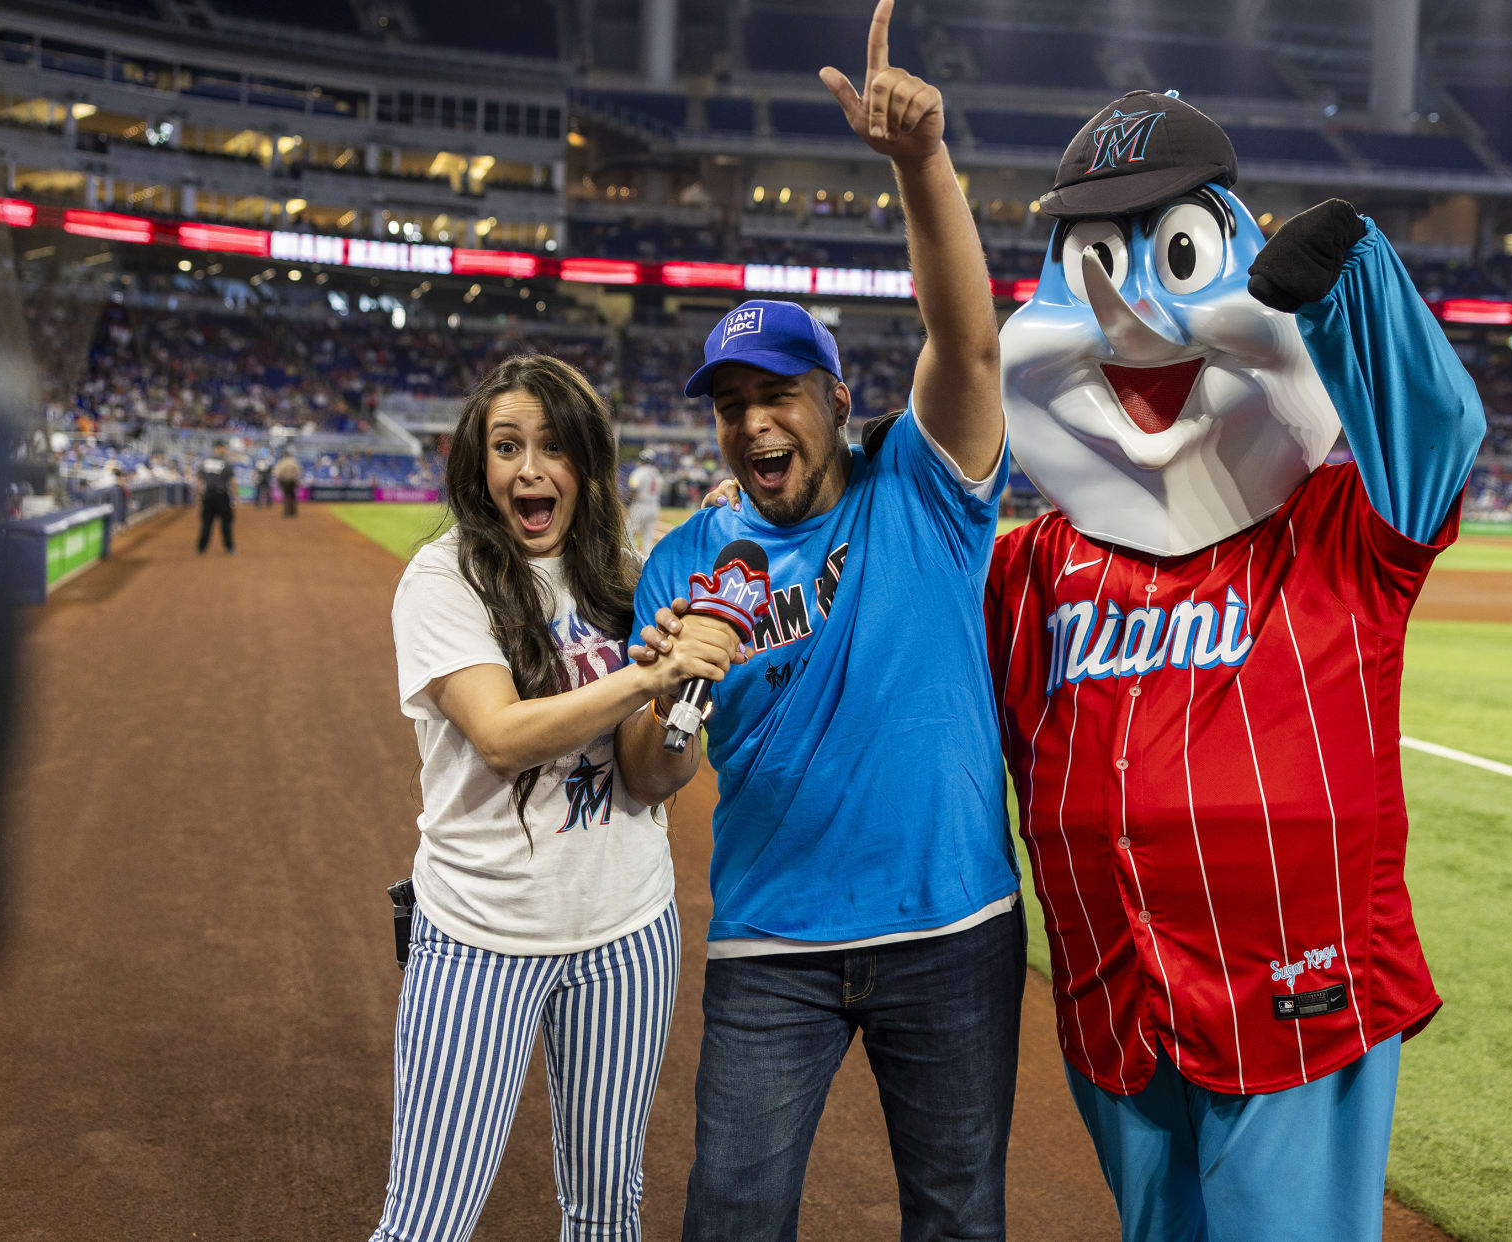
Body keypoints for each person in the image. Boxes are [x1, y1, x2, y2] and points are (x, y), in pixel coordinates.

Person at [985, 94, 1486, 1242]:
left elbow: (1434, 433)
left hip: (1295, 993)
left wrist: (1355, 285)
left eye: (1170, 251)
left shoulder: (1344, 528)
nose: (1127, 311)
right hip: (1121, 999)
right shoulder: (1033, 569)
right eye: (1094, 262)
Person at [615, 4, 1020, 1236]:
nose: (752, 424)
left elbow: (971, 342)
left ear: (837, 399)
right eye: (730, 405)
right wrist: (670, 702)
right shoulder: (685, 558)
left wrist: (920, 161)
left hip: (949, 924)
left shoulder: (924, 483)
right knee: (730, 1213)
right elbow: (648, 777)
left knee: (956, 1217)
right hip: (770, 939)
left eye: (777, 395)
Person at [371, 355, 742, 1242]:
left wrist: (684, 697)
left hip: (627, 936)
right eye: (507, 447)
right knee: (427, 1221)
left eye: (552, 447)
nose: (529, 470)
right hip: (480, 939)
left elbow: (653, 776)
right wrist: (645, 673)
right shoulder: (443, 578)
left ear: (586, 465)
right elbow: (500, 737)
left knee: (607, 1214)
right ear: (479, 465)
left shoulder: (625, 573)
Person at [195, 441, 235, 555]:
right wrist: (235, 496)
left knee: (206, 522)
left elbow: (199, 479)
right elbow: (232, 481)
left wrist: (198, 495)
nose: (225, 450)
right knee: (226, 523)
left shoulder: (205, 461)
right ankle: (229, 547)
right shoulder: (225, 462)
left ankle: (201, 548)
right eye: (223, 447)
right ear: (219, 447)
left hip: (208, 494)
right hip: (222, 495)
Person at [626, 447, 664, 552]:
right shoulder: (657, 473)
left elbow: (634, 487)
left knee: (628, 533)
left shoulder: (639, 472)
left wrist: (628, 501)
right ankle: (647, 559)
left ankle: (634, 557)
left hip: (640, 504)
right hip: (654, 505)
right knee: (648, 536)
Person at [275, 448, 303, 517]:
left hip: (284, 481)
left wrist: (278, 480)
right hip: (292, 481)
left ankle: (286, 512)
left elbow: (277, 472)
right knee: (293, 496)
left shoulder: (282, 461)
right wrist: (298, 480)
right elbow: (299, 471)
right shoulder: (294, 461)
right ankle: (293, 512)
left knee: (286, 496)